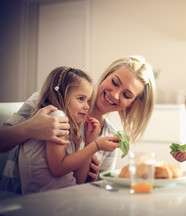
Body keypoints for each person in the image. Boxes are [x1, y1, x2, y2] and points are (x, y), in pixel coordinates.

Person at [1, 55, 156, 194]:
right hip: (15, 199)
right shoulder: (53, 99)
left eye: (126, 95)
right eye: (115, 82)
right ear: (106, 76)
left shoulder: (109, 139)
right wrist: (29, 129)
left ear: (132, 103)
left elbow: (87, 191)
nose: (115, 94)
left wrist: (91, 181)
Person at [18, 66, 120, 194]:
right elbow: (58, 168)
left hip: (66, 198)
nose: (87, 106)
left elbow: (79, 180)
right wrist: (96, 145)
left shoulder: (70, 127)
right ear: (62, 95)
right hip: (46, 203)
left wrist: (89, 142)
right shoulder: (56, 118)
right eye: (81, 99)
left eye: (88, 100)